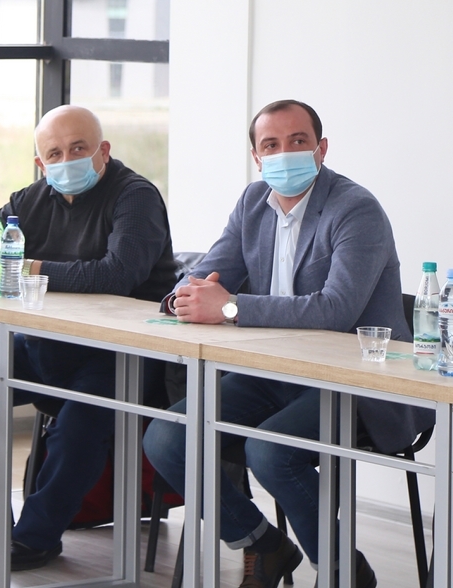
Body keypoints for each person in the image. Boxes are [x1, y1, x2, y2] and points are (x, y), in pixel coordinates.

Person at [141, 100, 429, 588]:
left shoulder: (355, 209)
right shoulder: (254, 201)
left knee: (271, 451)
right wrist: (182, 299)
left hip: (358, 379)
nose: (285, 153)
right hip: (275, 372)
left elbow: (335, 310)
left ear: (321, 148)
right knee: (167, 437)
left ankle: (343, 571)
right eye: (271, 145)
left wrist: (230, 309)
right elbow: (209, 272)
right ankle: (263, 543)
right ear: (257, 156)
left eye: (298, 141)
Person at [0, 105, 178, 571]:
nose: (67, 160)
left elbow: (117, 274)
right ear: (41, 163)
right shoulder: (30, 199)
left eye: (79, 148)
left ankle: (36, 535)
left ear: (103, 150)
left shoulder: (135, 196)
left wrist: (27, 267)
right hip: (50, 347)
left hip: (125, 355)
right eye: (54, 154)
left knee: (80, 418)